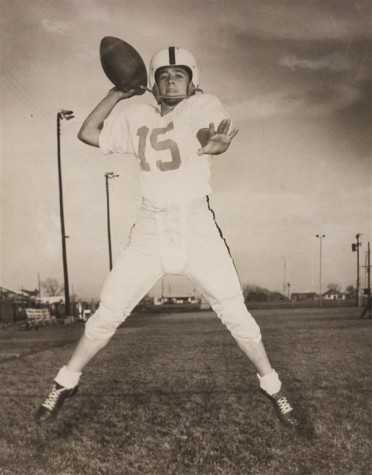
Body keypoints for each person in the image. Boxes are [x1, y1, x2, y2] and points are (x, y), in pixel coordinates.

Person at [35, 46, 300, 428]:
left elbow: (214, 132)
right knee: (109, 310)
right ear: (154, 83)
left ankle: (272, 385)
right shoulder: (136, 114)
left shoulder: (204, 104)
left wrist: (217, 144)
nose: (171, 79)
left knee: (234, 311)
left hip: (195, 225)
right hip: (150, 228)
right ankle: (66, 381)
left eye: (179, 74)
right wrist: (117, 93)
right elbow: (87, 133)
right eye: (163, 75)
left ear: (193, 82)